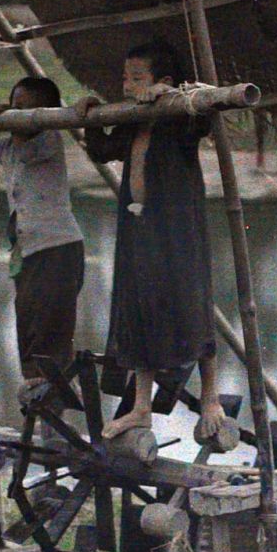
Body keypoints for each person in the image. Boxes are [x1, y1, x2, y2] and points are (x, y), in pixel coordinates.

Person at [82, 40, 226, 442]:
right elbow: (104, 149)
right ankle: (141, 407)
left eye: (137, 78)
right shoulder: (134, 118)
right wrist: (90, 117)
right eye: (125, 78)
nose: (128, 86)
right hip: (138, 225)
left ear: (161, 80)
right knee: (140, 304)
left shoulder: (179, 114)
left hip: (176, 226)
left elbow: (203, 120)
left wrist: (172, 96)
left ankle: (211, 397)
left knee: (191, 301)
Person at [0, 75, 96, 389]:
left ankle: (54, 395)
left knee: (51, 325)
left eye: (26, 110)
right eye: (15, 106)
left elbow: (27, 152)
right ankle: (36, 390)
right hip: (28, 251)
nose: (18, 115)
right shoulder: (7, 146)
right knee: (27, 319)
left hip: (58, 247)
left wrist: (5, 119)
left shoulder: (50, 139)